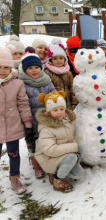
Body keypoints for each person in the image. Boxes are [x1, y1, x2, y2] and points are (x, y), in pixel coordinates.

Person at [35, 91, 83, 193]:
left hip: (64, 155)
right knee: (72, 157)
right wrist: (74, 148)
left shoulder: (66, 121)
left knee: (79, 174)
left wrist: (76, 149)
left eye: (62, 109)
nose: (59, 112)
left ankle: (61, 169)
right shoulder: (46, 128)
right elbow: (49, 150)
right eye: (55, 110)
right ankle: (56, 179)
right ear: (48, 112)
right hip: (49, 157)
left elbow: (71, 138)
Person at [0, 47, 33, 194]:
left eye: (6, 67)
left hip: (12, 126)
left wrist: (28, 124)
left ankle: (15, 177)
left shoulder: (18, 84)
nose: (2, 71)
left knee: (14, 154)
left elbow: (23, 104)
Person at [18, 52, 56, 179]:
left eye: (36, 67)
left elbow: (54, 96)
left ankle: (49, 162)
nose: (34, 70)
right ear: (24, 70)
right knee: (33, 143)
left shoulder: (47, 81)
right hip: (31, 119)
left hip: (47, 118)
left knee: (47, 141)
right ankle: (37, 166)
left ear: (41, 68)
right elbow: (22, 103)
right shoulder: (22, 84)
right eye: (30, 68)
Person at [44, 40, 78, 110]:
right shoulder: (47, 72)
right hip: (54, 103)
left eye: (61, 58)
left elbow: (72, 88)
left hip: (67, 102)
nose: (58, 60)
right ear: (50, 60)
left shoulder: (68, 72)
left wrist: (74, 102)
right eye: (55, 58)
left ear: (64, 59)